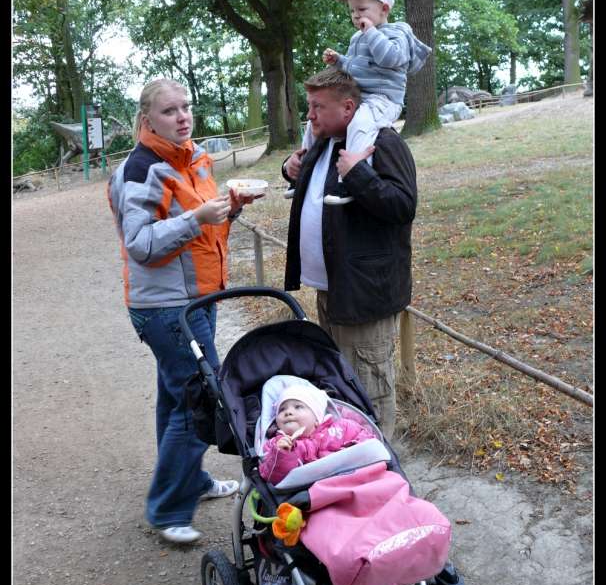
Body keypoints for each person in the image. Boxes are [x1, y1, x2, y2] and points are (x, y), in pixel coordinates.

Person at [107, 78, 258, 544]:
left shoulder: (194, 158)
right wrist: (197, 218)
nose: (182, 116)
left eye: (186, 107)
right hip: (165, 308)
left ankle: (189, 482)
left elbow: (202, 227)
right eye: (170, 111)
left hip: (197, 299)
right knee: (204, 397)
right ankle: (168, 508)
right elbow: (140, 244)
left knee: (178, 398)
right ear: (147, 119)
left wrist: (229, 210)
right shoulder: (141, 170)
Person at [282, 67, 417, 440]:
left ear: (347, 107)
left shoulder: (383, 142)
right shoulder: (324, 140)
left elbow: (403, 206)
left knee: (370, 391)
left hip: (365, 295)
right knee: (341, 383)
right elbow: (313, 185)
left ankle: (380, 464)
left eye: (317, 107)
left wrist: (359, 174)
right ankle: (351, 458)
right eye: (309, 106)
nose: (309, 115)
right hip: (332, 290)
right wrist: (289, 169)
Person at [287, 0, 430, 205]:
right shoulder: (357, 37)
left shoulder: (398, 32)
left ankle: (349, 181)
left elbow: (391, 59)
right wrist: (339, 61)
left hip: (383, 99)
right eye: (352, 10)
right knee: (314, 124)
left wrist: (371, 33)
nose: (356, 15)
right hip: (360, 97)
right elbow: (355, 68)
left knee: (360, 124)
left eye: (361, 9)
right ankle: (301, 174)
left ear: (384, 9)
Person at [259, 383, 375, 485]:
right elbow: (272, 478)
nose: (288, 412)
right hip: (314, 493)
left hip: (354, 477)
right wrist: (281, 454)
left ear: (317, 417)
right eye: (282, 409)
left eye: (298, 407)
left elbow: (370, 442)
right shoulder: (275, 445)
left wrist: (354, 448)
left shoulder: (342, 428)